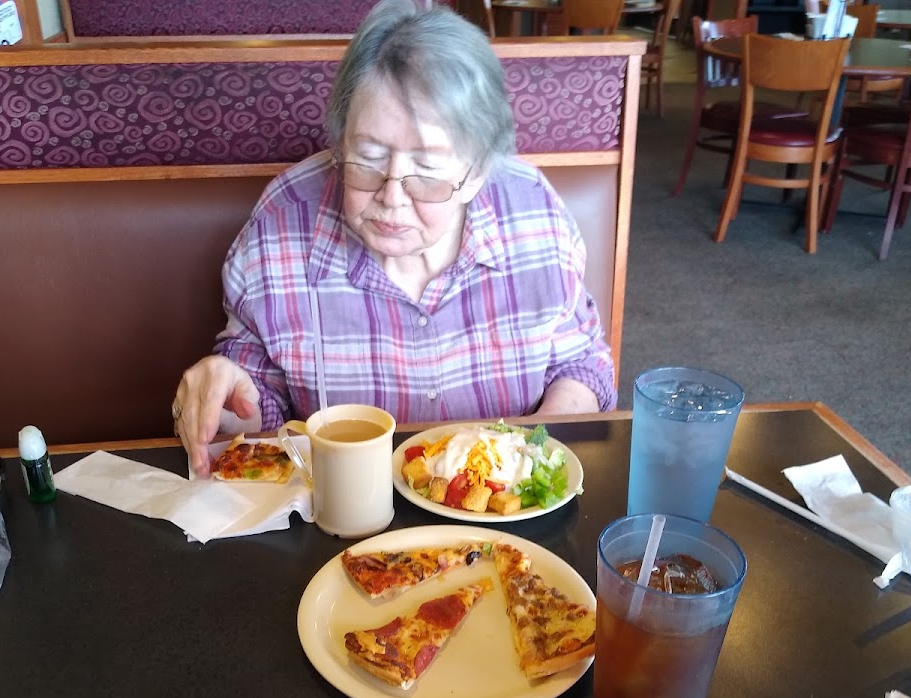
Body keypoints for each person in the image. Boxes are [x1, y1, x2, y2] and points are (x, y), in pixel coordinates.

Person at [174, 0, 616, 477]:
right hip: (341, 511)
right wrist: (226, 403)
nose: (391, 196)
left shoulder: (533, 215)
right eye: (367, 159)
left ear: (476, 172)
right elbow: (256, 400)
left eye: (426, 170)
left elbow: (580, 364)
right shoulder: (281, 225)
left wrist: (530, 462)